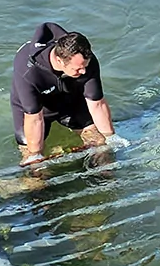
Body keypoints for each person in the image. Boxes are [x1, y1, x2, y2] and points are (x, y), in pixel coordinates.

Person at [11, 22, 129, 166]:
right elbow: (34, 118)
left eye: (85, 66)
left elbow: (97, 103)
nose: (84, 72)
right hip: (35, 111)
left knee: (101, 145)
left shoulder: (85, 61)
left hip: (70, 101)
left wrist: (110, 137)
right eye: (78, 69)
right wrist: (35, 155)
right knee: (34, 161)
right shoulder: (29, 71)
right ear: (60, 61)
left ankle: (104, 181)